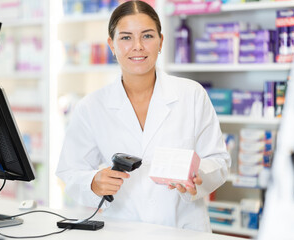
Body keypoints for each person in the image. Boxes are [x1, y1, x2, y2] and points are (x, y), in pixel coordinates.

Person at [56, 0, 231, 232]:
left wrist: (198, 177)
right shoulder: (91, 107)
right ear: (112, 44)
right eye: (126, 37)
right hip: (120, 230)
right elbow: (70, 171)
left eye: (147, 36)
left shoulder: (192, 95)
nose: (137, 46)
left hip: (183, 230)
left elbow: (219, 160)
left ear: (161, 41)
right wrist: (92, 182)